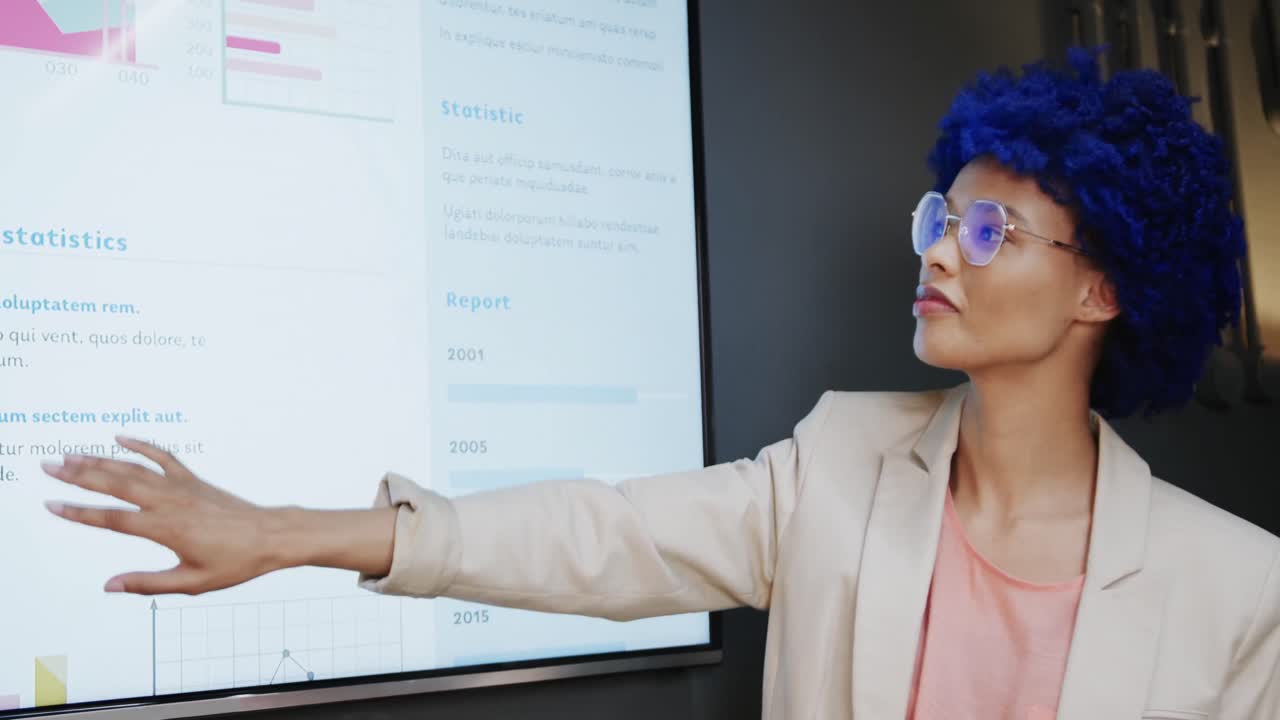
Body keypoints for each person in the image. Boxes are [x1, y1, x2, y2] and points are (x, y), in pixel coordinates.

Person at [41, 48, 1278, 719]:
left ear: (1098, 290)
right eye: (937, 218)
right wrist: (281, 533)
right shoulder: (839, 465)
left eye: (990, 230)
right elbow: (601, 536)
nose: (939, 253)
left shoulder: (1237, 590)